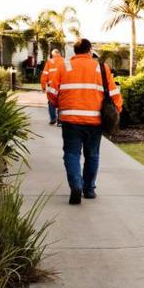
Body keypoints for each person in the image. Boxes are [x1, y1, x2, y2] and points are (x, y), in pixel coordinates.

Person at [47, 38, 122, 204]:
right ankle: (88, 190)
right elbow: (114, 94)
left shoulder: (63, 67)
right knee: (92, 155)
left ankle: (76, 185)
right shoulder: (102, 68)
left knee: (72, 153)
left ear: (75, 52)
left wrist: (61, 105)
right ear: (90, 51)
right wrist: (116, 113)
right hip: (94, 121)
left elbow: (52, 93)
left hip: (70, 120)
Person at [41, 49, 64, 125]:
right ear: (59, 54)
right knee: (62, 102)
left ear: (53, 54)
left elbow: (44, 75)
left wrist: (43, 86)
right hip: (63, 86)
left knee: (51, 102)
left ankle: (53, 118)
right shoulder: (65, 62)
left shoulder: (50, 62)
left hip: (52, 87)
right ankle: (60, 121)